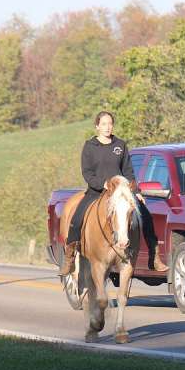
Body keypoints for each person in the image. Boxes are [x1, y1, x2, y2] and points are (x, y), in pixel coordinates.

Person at [59, 111, 168, 275]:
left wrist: (136, 192)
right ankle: (69, 258)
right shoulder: (89, 146)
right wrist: (101, 184)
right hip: (97, 191)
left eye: (110, 123)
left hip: (120, 192)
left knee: (145, 215)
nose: (107, 127)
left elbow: (128, 171)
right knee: (77, 218)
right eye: (103, 124)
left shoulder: (120, 145)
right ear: (97, 126)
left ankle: (155, 257)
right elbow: (87, 173)